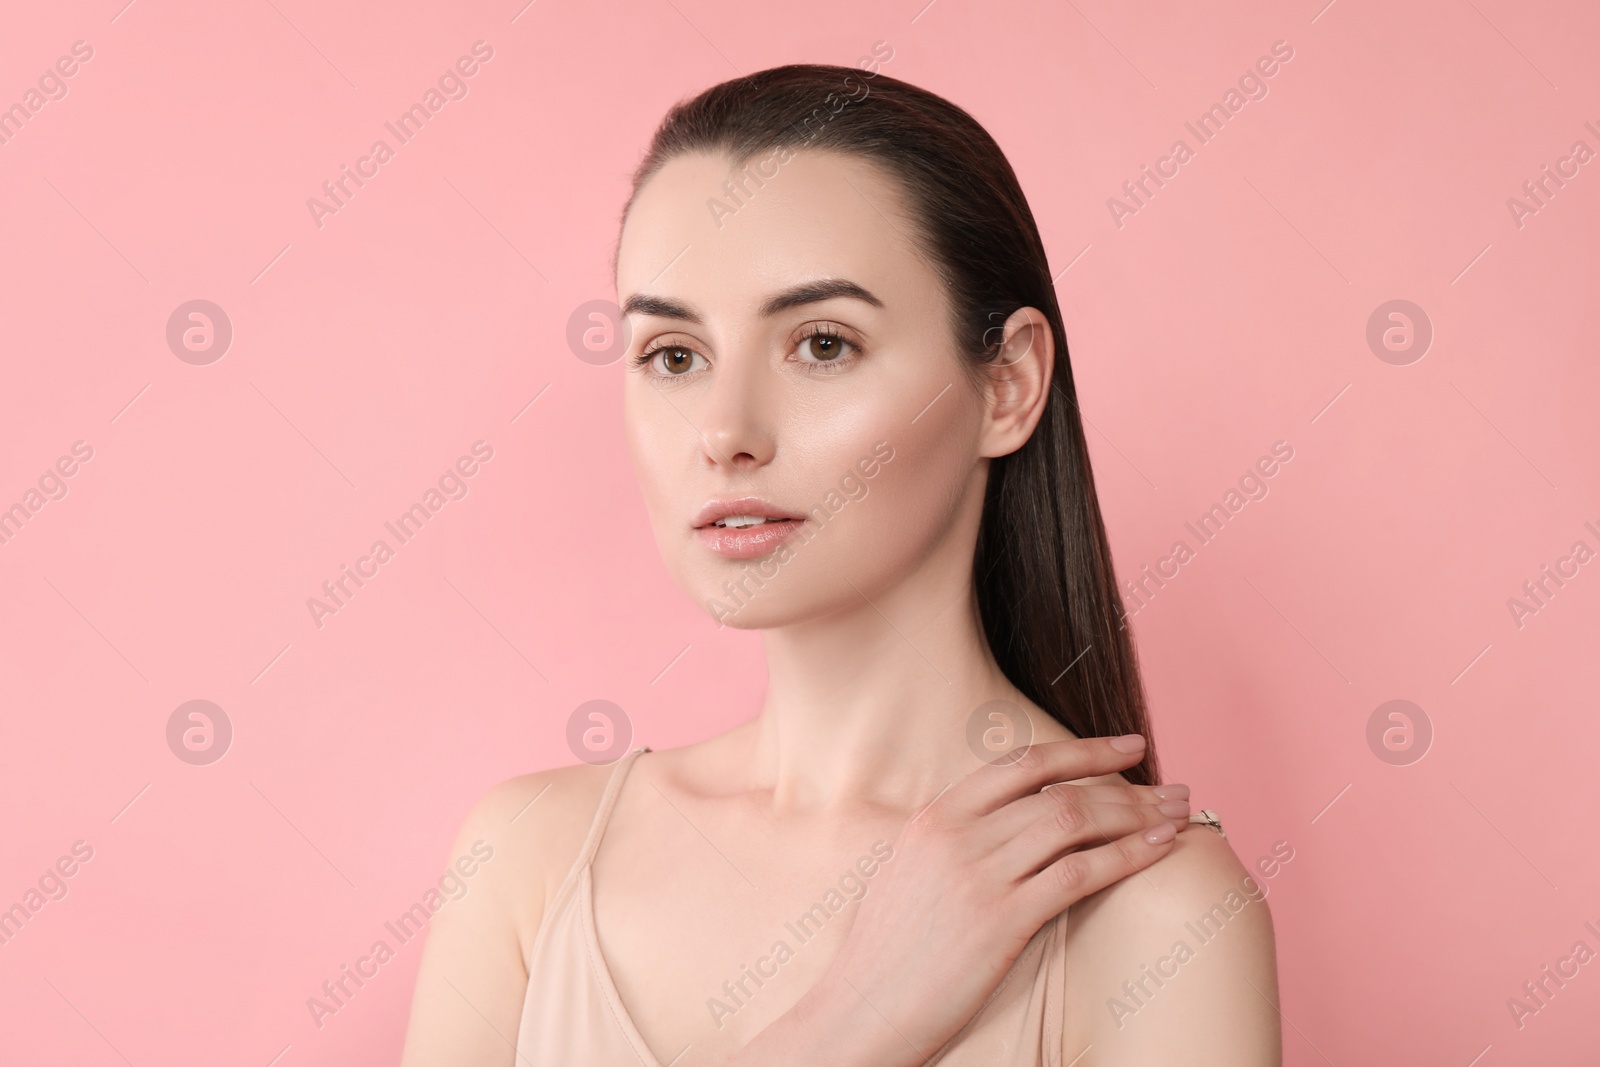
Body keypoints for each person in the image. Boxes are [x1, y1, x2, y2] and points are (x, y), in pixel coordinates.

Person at [400, 63, 1279, 1066]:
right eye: (674, 355)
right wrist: (854, 1019)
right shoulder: (525, 856)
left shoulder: (1152, 915)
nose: (725, 432)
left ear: (1007, 384)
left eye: (821, 343)